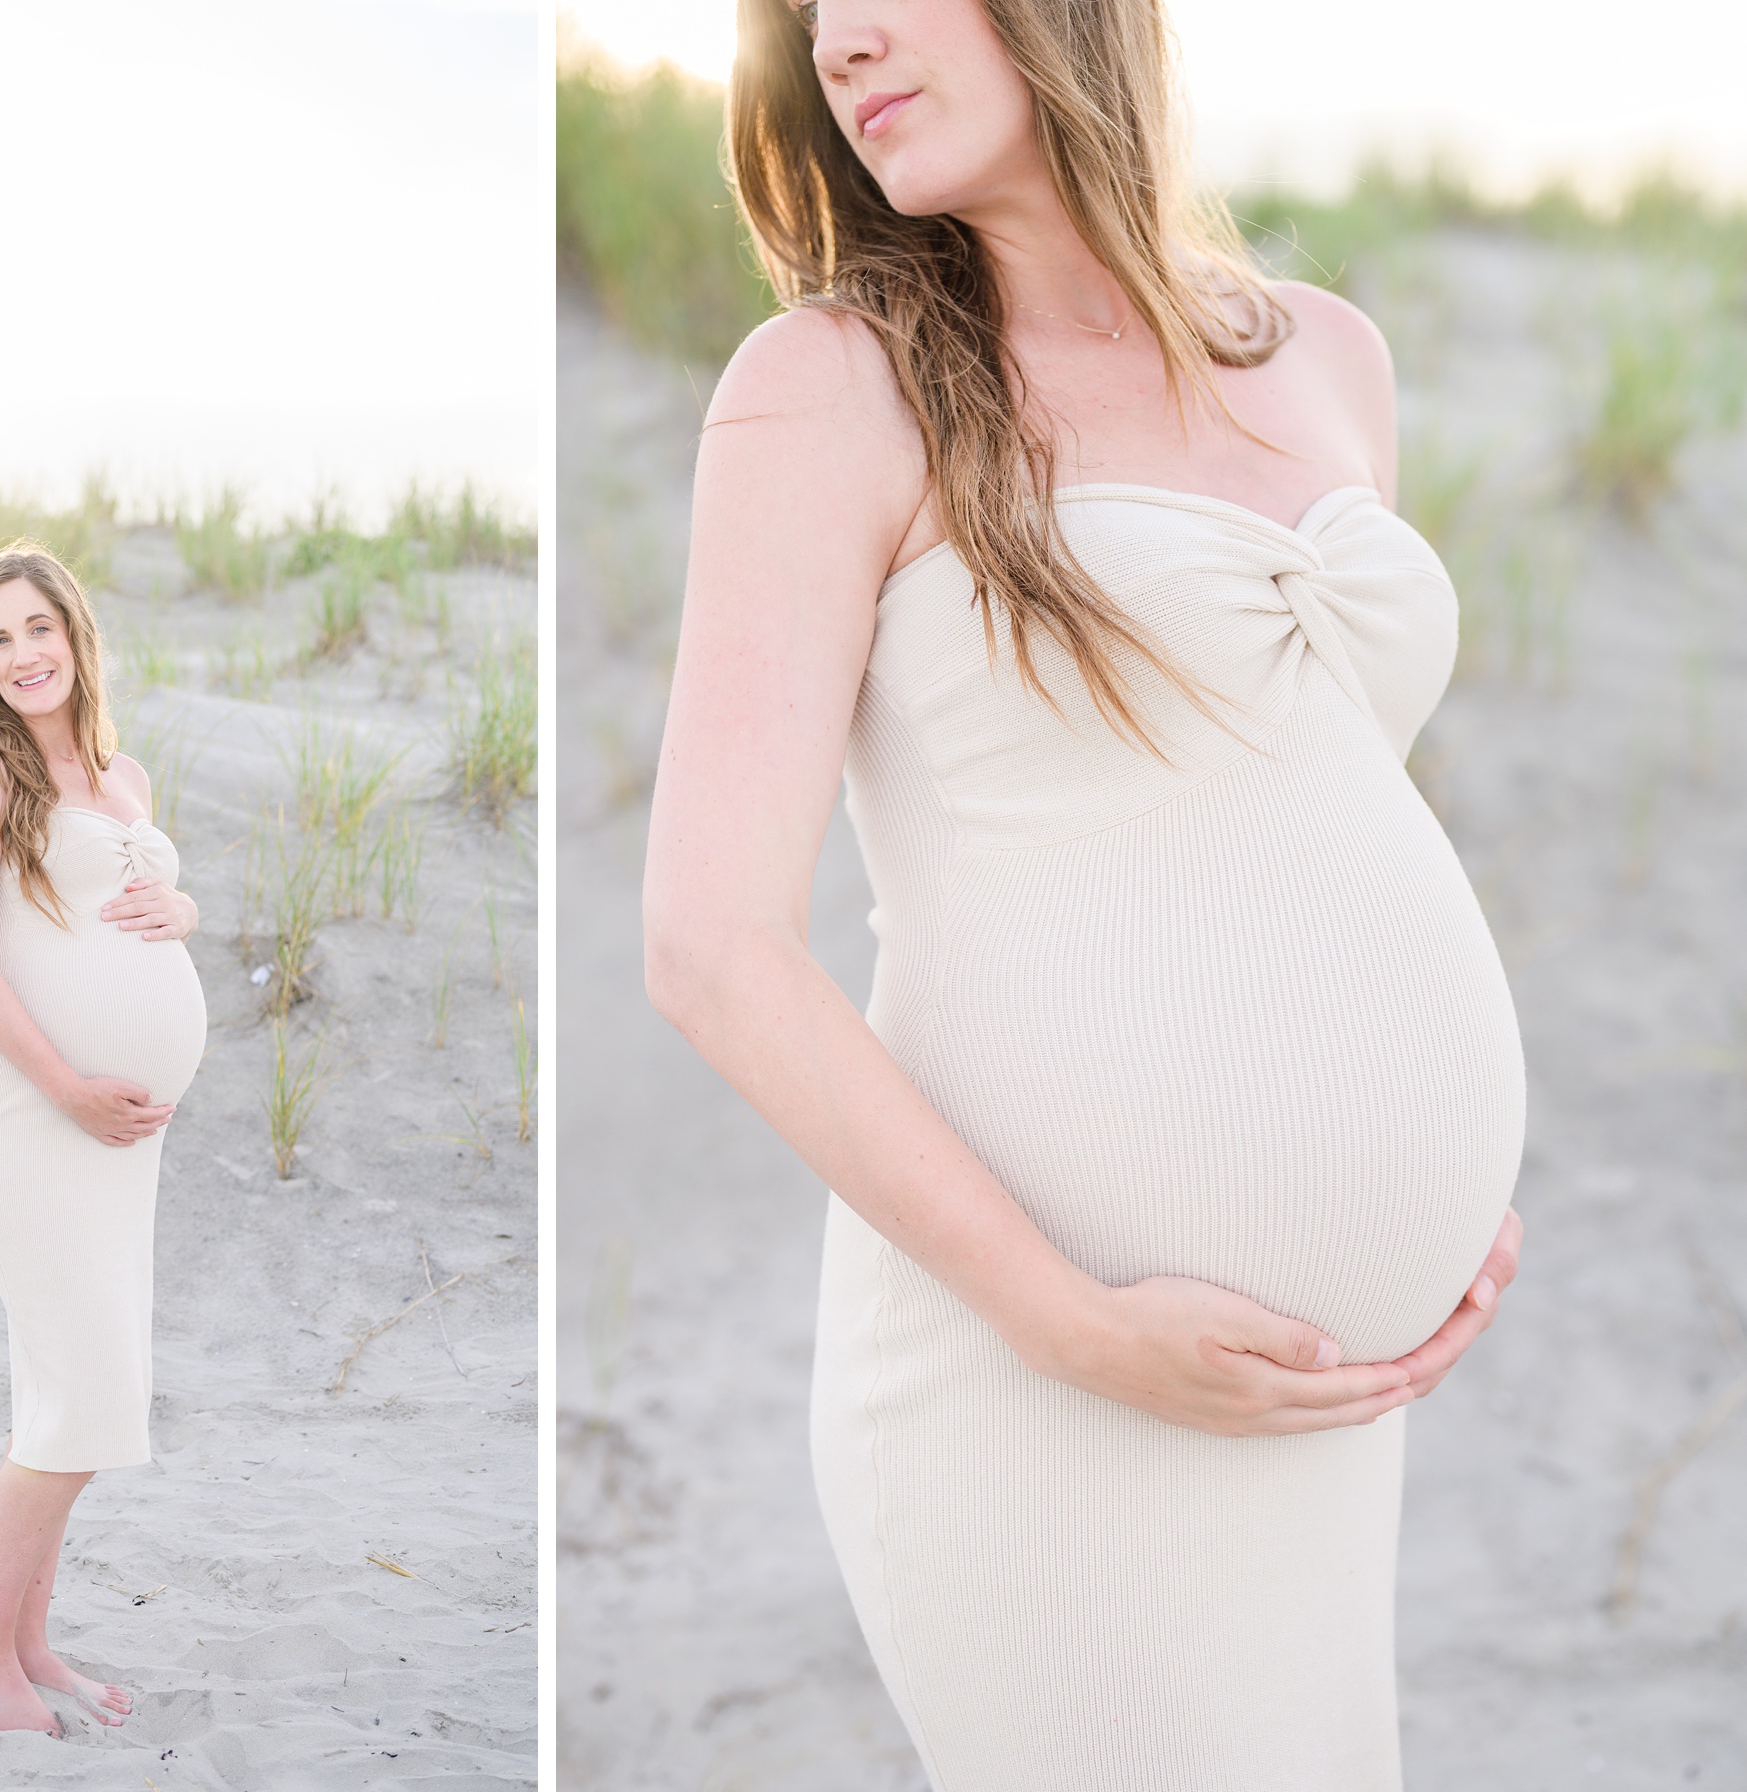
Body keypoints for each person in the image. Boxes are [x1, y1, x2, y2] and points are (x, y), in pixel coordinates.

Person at [640, 1, 1526, 1783]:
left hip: (1319, 1389)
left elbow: (1295, 792)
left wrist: (1436, 1173)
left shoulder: (1331, 357)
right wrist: (1067, 1318)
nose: (841, 43)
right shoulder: (832, 384)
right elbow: (711, 947)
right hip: (1035, 1370)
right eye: (809, 19)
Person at [0, 541, 207, 1736]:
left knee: (75, 1396)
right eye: (0, 637)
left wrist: (185, 909)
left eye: (39, 626)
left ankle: (31, 1639)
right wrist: (72, 1088)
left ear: (75, 635)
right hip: (31, 1125)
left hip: (115, 1142)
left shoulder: (122, 775)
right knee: (86, 1389)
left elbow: (138, 904)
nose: (24, 652)